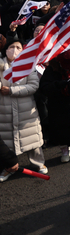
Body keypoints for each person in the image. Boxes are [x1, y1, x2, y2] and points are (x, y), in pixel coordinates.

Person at [0, 40, 47, 181]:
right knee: (6, 141)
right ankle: (8, 167)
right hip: (4, 111)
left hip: (26, 111)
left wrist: (11, 90)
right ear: (5, 49)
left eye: (18, 47)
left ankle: (39, 163)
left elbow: (33, 86)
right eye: (11, 47)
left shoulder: (28, 66)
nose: (14, 50)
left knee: (32, 138)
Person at [38, 49, 70, 163]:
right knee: (62, 130)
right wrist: (57, 85)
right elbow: (44, 88)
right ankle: (64, 150)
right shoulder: (52, 69)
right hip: (59, 105)